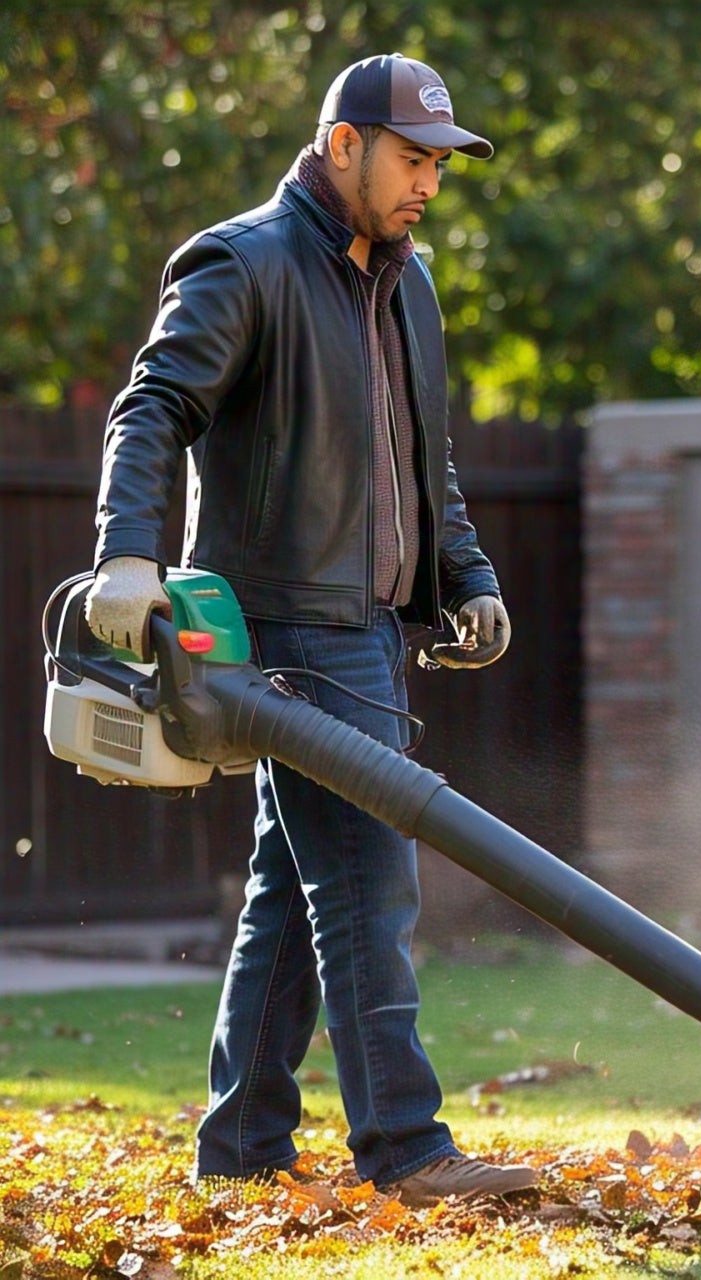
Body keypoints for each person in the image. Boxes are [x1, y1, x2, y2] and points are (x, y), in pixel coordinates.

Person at [83, 53, 538, 1203]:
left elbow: (421, 461)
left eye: (440, 163)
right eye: (411, 157)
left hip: (374, 634)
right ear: (343, 144)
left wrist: (465, 573)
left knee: (297, 890)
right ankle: (408, 1149)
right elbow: (152, 408)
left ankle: (240, 1148)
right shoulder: (244, 261)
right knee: (371, 880)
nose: (428, 182)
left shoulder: (408, 285)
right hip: (282, 633)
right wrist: (127, 555)